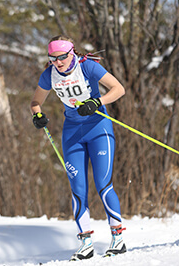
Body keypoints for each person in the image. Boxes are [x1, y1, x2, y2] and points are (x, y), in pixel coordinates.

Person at [30, 35, 126, 261]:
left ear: (71, 53)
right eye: (52, 58)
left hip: (99, 128)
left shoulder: (88, 67)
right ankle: (86, 243)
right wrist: (38, 116)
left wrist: (97, 102)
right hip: (72, 133)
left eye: (61, 57)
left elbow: (118, 89)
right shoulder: (49, 75)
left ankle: (118, 238)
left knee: (103, 184)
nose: (58, 62)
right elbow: (36, 102)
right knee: (77, 188)